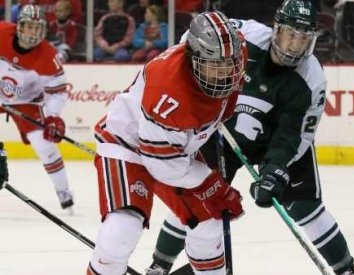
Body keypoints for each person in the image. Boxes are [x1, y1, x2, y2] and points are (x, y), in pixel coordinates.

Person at [146, 1, 354, 275]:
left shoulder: (312, 78)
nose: (295, 46)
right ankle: (159, 265)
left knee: (305, 206)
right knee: (197, 197)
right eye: (290, 35)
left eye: (303, 38)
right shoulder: (244, 37)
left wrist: (274, 171)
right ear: (276, 28)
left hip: (277, 142)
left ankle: (346, 270)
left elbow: (293, 136)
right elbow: (193, 39)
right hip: (223, 132)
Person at [86, 11, 247, 275]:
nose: (223, 74)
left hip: (177, 147)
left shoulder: (236, 50)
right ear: (193, 58)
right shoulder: (168, 89)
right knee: (122, 229)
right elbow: (161, 164)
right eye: (212, 65)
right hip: (129, 144)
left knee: (211, 222)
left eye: (228, 64)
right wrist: (210, 182)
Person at [0, 4, 74, 212]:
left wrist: (52, 117)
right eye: (29, 26)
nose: (33, 32)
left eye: (37, 28)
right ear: (19, 26)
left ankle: (64, 191)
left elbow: (58, 91)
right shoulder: (0, 33)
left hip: (27, 100)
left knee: (44, 145)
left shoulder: (48, 56)